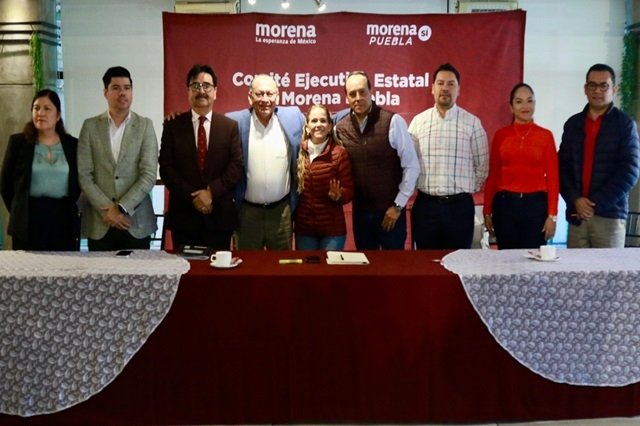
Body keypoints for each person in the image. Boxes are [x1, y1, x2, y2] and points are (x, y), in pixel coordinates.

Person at [159, 64, 243, 250]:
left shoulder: (229, 127)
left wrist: (210, 193)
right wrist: (194, 197)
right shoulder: (173, 126)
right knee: (186, 267)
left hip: (219, 216)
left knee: (218, 267)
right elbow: (166, 168)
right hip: (184, 216)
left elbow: (236, 166)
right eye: (195, 86)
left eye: (207, 86)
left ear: (215, 92)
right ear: (188, 91)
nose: (201, 91)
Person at [334, 71, 419, 250]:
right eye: (352, 94)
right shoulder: (340, 129)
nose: (358, 98)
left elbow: (411, 166)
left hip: (391, 213)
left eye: (362, 92)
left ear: (371, 91)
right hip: (361, 215)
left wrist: (398, 206)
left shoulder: (393, 121)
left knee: (394, 265)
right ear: (346, 98)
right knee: (365, 264)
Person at [408, 63, 489, 249]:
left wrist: (462, 191)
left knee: (458, 261)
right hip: (426, 207)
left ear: (458, 90)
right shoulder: (418, 123)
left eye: (451, 84)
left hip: (459, 209)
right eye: (440, 83)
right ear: (432, 88)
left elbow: (482, 166)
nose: (445, 88)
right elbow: (409, 165)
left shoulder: (472, 124)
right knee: (425, 262)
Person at [559, 63, 640, 248]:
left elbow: (630, 171)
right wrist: (575, 200)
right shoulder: (573, 124)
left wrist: (594, 204)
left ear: (614, 89)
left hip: (609, 217)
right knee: (574, 267)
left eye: (604, 85)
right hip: (577, 216)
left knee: (609, 267)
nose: (597, 91)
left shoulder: (625, 125)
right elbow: (562, 167)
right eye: (592, 85)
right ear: (585, 89)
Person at [77, 66, 158, 251]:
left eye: (127, 88)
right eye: (116, 88)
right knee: (100, 271)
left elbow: (148, 175)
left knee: (140, 271)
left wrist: (121, 208)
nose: (122, 93)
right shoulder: (90, 127)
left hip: (136, 223)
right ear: (105, 92)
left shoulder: (145, 126)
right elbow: (84, 175)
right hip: (101, 222)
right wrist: (108, 209)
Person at [226, 74, 304, 250]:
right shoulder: (234, 121)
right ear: (250, 96)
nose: (265, 99)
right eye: (259, 94)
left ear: (278, 96)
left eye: (270, 94)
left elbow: (322, 125)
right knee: (247, 264)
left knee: (281, 264)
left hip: (282, 213)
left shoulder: (294, 117)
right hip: (246, 213)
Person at [1, 89, 80, 250]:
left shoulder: (72, 145)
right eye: (36, 108)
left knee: (64, 265)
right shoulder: (18, 143)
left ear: (58, 115)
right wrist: (18, 209)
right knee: (27, 265)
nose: (41, 113)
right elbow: (5, 184)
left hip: (63, 217)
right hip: (28, 218)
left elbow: (79, 182)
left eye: (47, 108)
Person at [483, 83, 559, 249]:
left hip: (536, 207)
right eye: (519, 101)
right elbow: (493, 175)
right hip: (505, 207)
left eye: (529, 101)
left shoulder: (545, 136)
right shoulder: (501, 135)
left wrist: (552, 215)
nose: (525, 106)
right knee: (507, 258)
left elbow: (553, 179)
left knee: (533, 258)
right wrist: (487, 211)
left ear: (534, 104)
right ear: (511, 107)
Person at [294, 104, 353, 250]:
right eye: (314, 121)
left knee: (330, 266)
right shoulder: (298, 151)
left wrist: (339, 195)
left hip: (332, 231)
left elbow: (349, 190)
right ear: (307, 126)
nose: (318, 124)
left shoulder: (339, 153)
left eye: (323, 120)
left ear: (329, 126)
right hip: (304, 229)